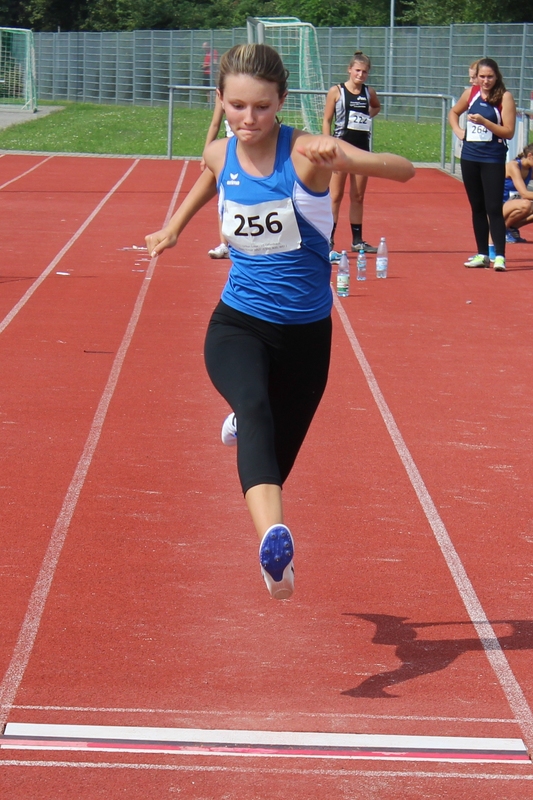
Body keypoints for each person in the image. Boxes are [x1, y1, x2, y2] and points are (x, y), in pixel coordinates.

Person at [145, 44, 414, 601]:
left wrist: (345, 157)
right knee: (255, 407)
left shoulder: (306, 155)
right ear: (221, 101)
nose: (249, 119)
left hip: (307, 337)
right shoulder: (220, 150)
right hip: (238, 323)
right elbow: (212, 175)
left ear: (282, 101)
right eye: (237, 106)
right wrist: (173, 227)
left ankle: (258, 477)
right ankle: (273, 547)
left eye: (262, 107)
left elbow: (405, 170)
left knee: (272, 460)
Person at [448, 57, 516, 272]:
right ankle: (482, 254)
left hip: (492, 158)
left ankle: (500, 256)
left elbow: (509, 132)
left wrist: (485, 122)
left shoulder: (504, 97)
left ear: (497, 77)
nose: (486, 81)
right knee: (477, 207)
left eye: (490, 77)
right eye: (482, 77)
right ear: (476, 77)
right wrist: (459, 131)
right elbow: (453, 112)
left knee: (493, 207)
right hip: (470, 157)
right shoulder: (471, 94)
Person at [322, 51, 381, 261]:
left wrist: (366, 116)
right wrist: (327, 144)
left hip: (362, 151)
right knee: (335, 196)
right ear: (349, 70)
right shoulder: (336, 91)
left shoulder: (368, 92)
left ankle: (357, 240)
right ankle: (328, 240)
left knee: (358, 196)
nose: (360, 75)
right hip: (341, 149)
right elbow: (327, 119)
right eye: (357, 70)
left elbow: (376, 106)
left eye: (364, 72)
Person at [202, 94, 234, 259]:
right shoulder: (222, 94)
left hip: (255, 150)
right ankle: (224, 244)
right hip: (231, 151)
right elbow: (215, 123)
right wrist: (206, 153)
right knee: (224, 197)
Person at [502, 143, 533, 242]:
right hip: (499, 206)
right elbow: (524, 194)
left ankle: (511, 228)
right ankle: (501, 231)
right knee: (526, 204)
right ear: (530, 155)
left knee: (526, 204)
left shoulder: (530, 169)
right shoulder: (513, 166)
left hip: (513, 204)